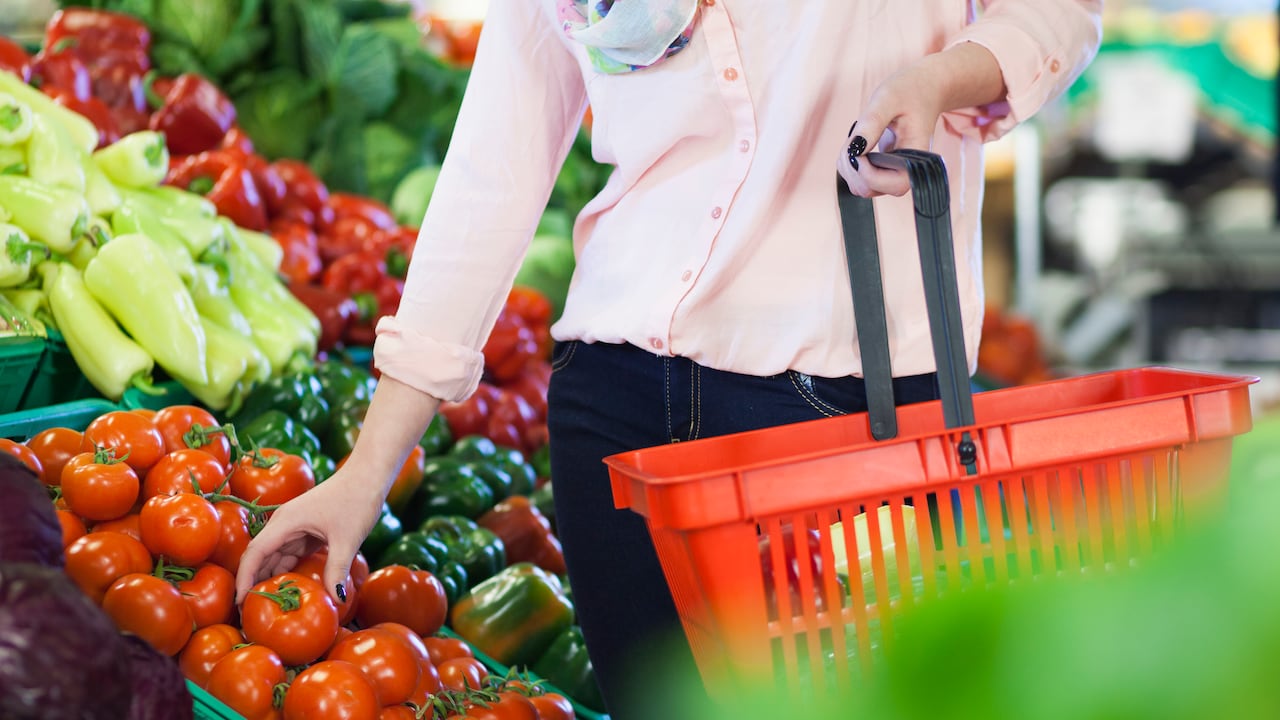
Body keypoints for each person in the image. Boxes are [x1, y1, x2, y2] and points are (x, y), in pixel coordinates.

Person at [235, 1, 1102, 716]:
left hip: (840, 405)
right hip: (610, 406)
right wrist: (365, 472)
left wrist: (945, 75)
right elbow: (496, 161)